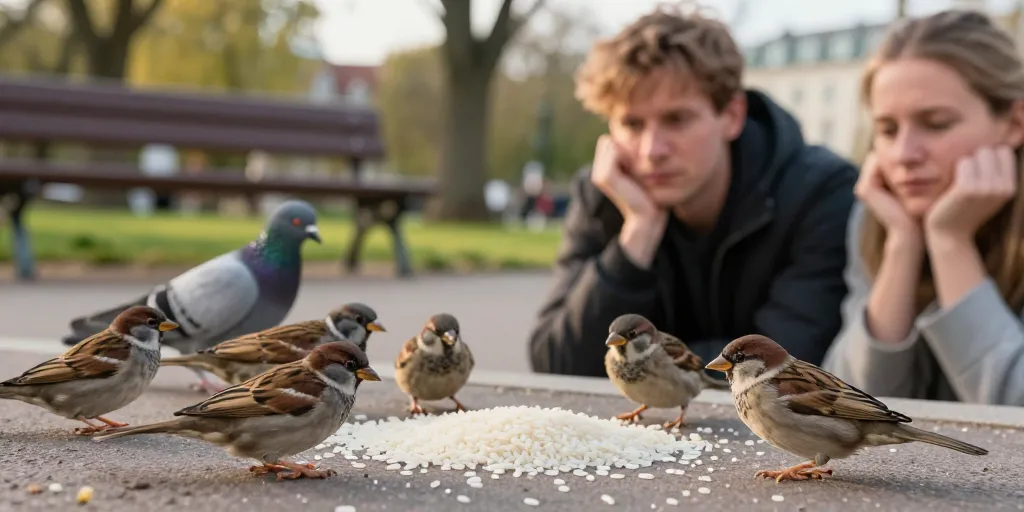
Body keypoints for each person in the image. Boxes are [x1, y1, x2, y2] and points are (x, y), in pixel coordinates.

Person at [527, 5, 858, 376]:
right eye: (632, 123)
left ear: (731, 116)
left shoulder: (820, 193)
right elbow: (557, 364)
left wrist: (640, 365)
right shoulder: (603, 193)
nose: (652, 150)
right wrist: (638, 233)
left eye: (676, 119)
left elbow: (781, 367)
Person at [822, 9, 1024, 406]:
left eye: (935, 123)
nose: (904, 155)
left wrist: (950, 241)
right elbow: (848, 407)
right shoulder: (880, 216)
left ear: (1014, 124)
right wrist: (901, 247)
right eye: (888, 130)